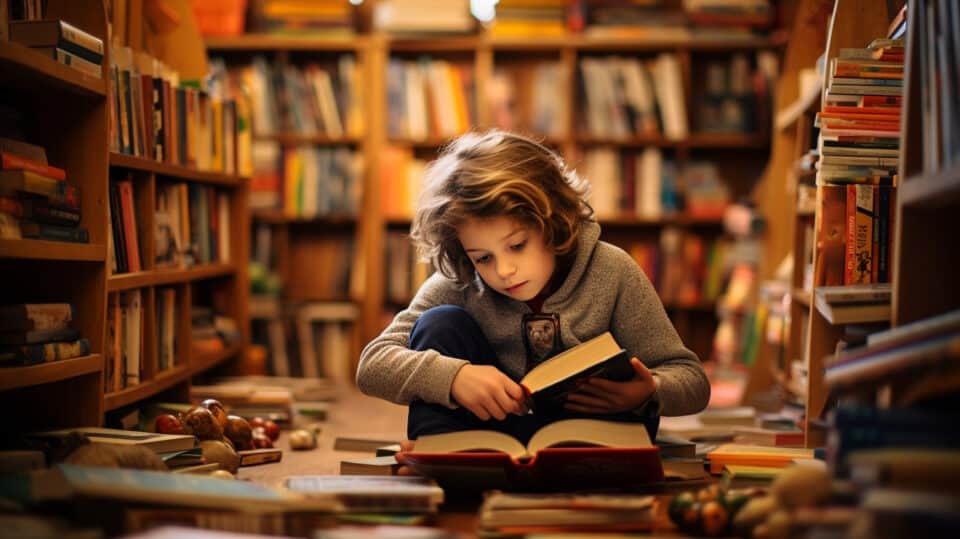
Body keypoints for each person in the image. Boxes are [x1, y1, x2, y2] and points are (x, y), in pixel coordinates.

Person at [356, 130, 710, 446]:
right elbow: (372, 365)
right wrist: (453, 377)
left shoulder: (613, 269)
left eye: (517, 245)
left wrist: (647, 392)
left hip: (588, 442)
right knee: (440, 322)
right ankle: (447, 457)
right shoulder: (461, 280)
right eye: (483, 258)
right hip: (485, 440)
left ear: (553, 222)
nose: (504, 271)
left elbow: (692, 380)